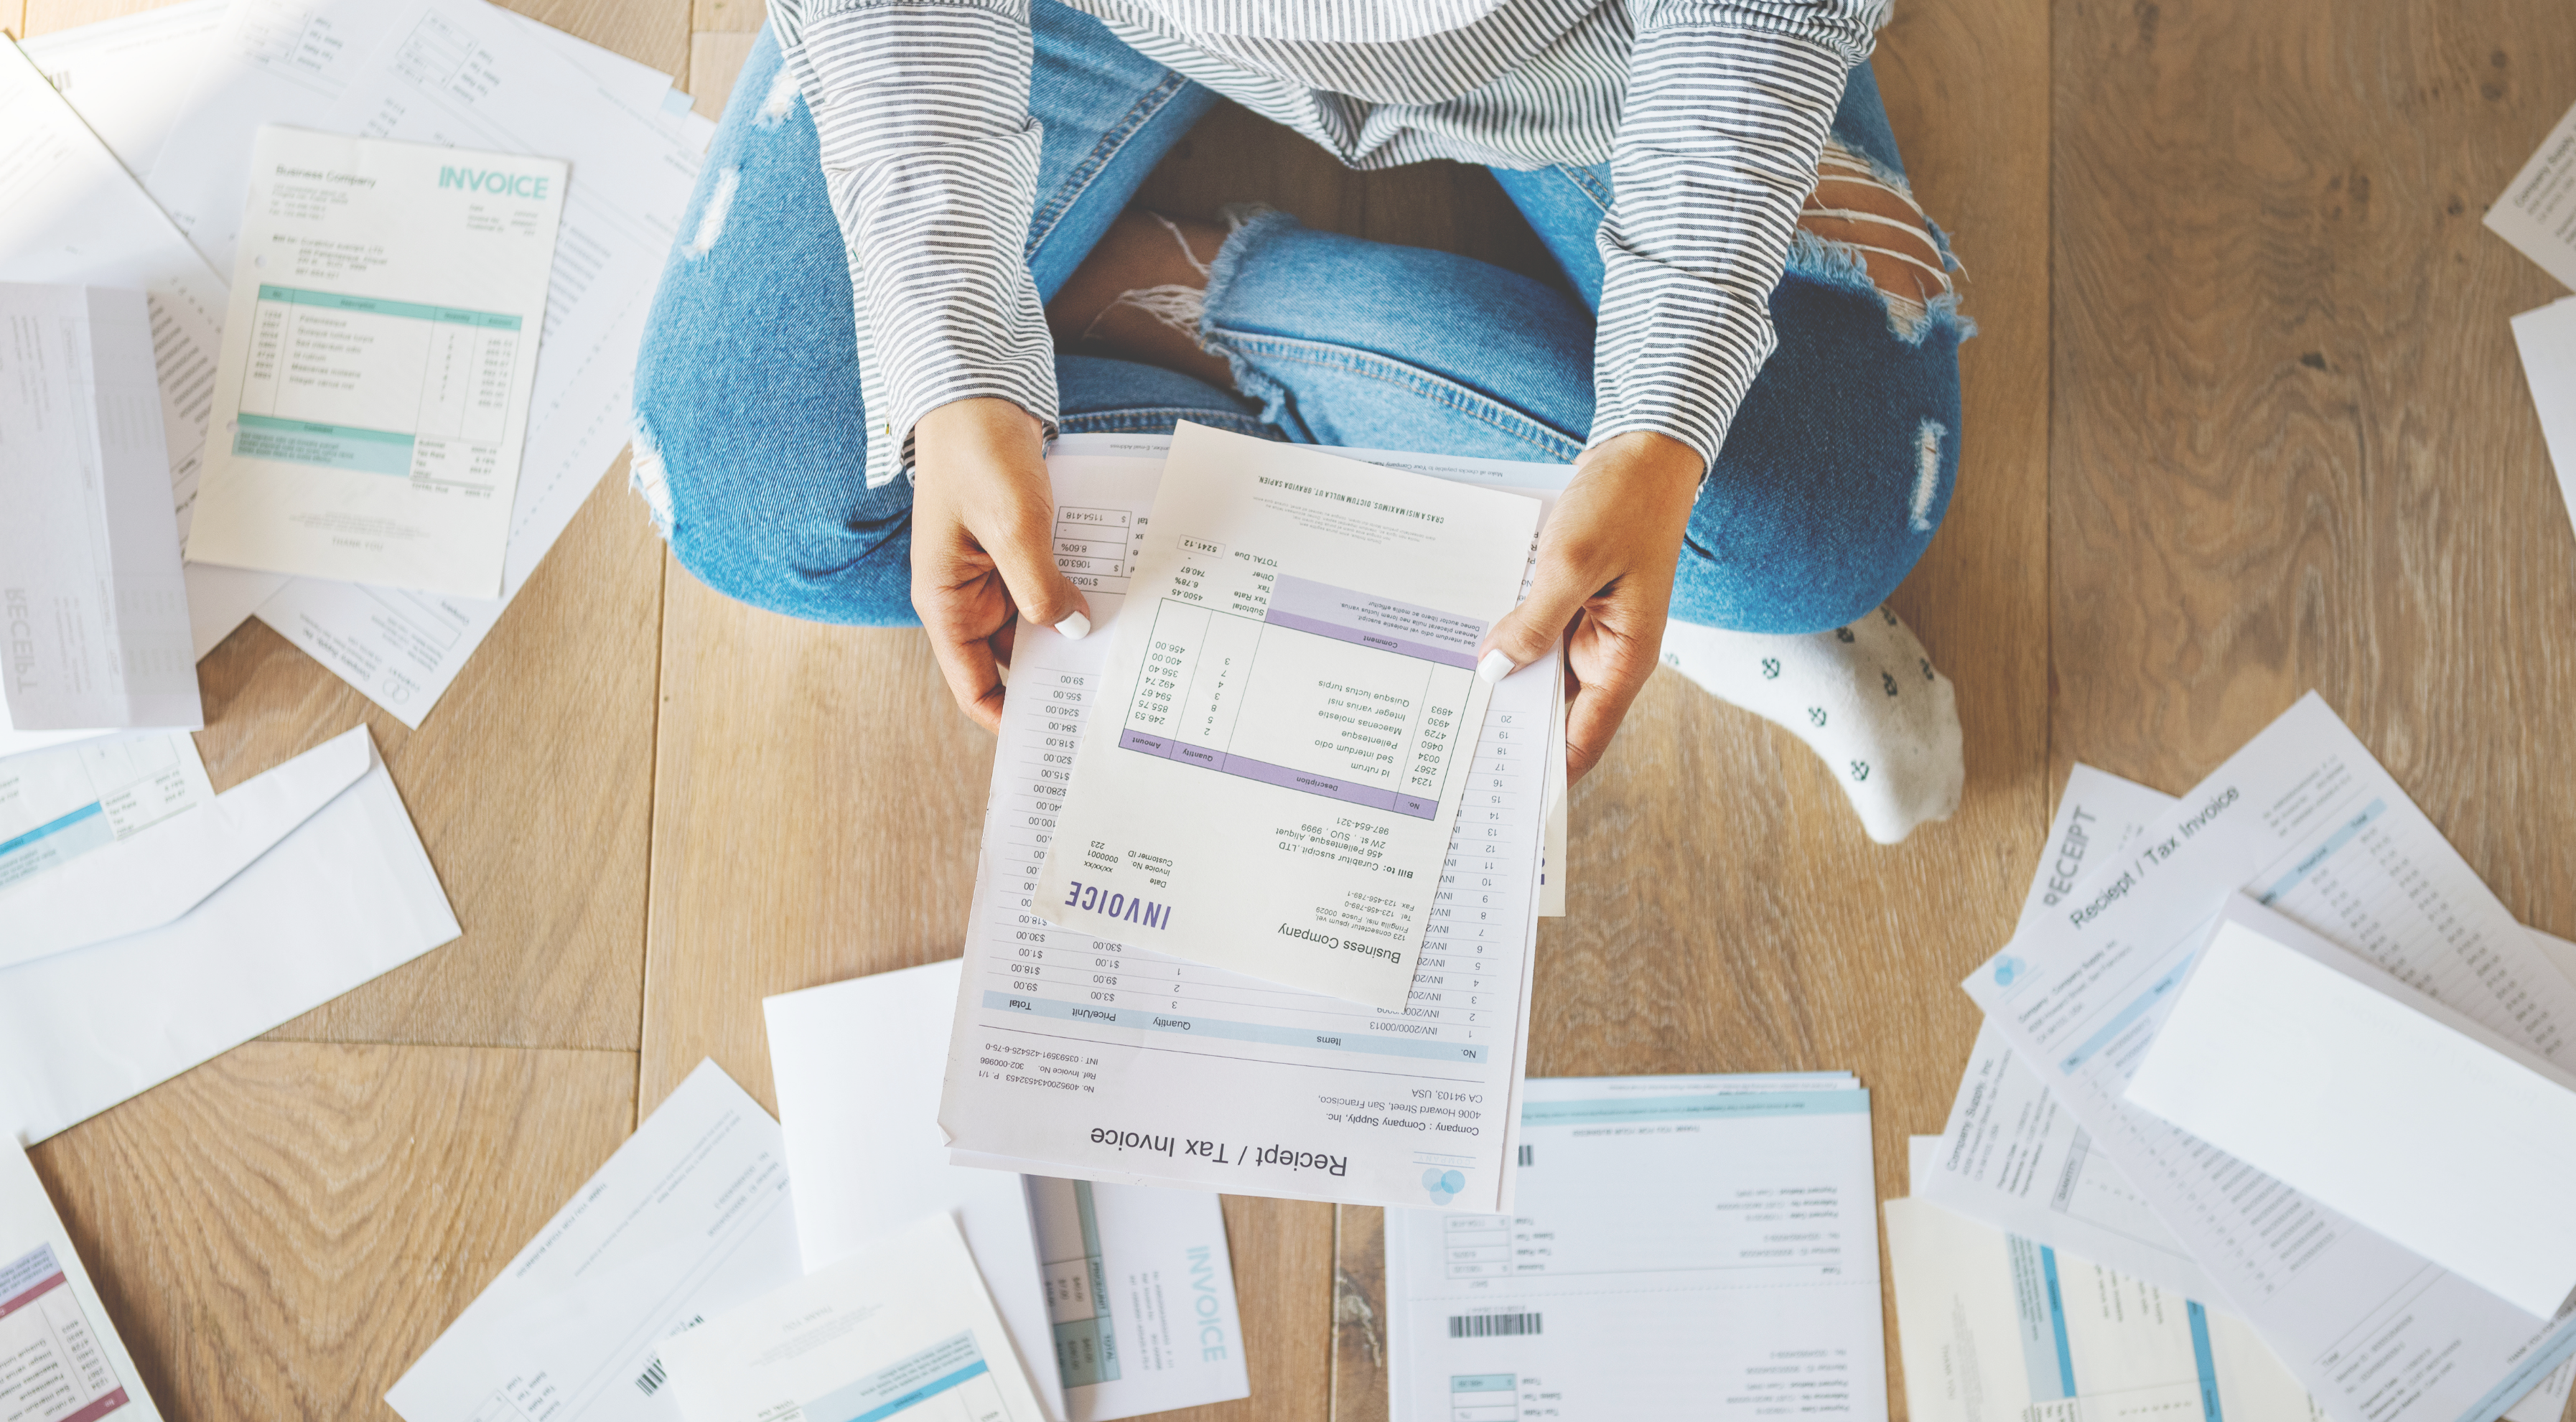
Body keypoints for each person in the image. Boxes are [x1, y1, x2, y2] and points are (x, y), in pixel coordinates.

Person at [631, 0, 1972, 841]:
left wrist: (1663, 420)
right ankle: (1591, 540)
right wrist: (952, 350)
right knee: (752, 489)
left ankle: (1167, 296)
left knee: (1833, 517)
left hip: (1581, 52)